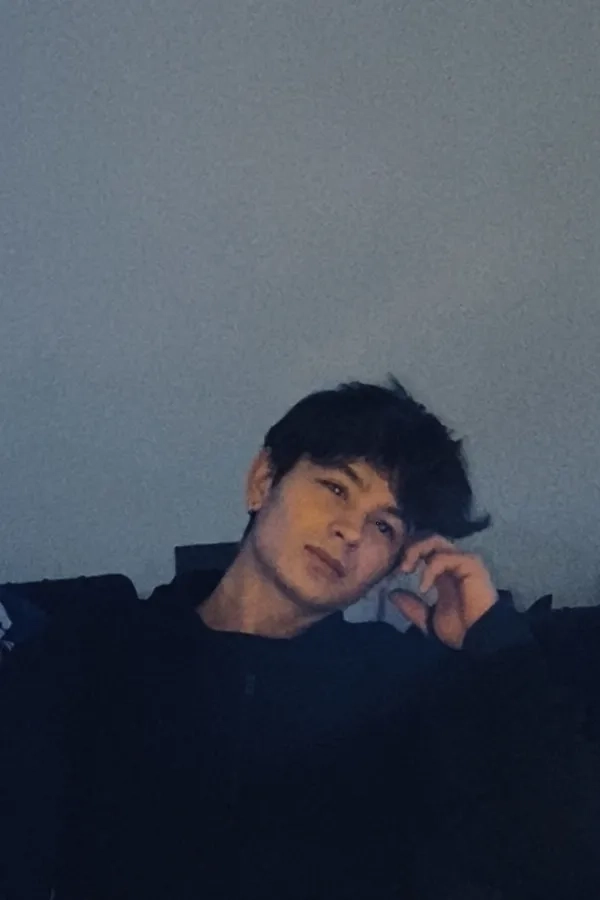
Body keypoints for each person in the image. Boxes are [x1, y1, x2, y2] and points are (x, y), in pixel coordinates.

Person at [1, 377, 598, 900]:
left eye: (384, 526)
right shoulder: (94, 652)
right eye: (336, 488)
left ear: (394, 565)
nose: (350, 531)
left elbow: (562, 860)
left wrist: (497, 647)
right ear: (263, 481)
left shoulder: (405, 687)